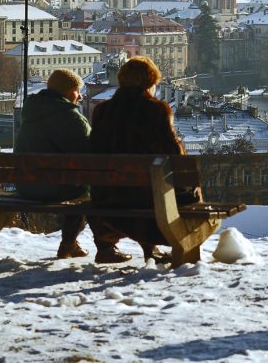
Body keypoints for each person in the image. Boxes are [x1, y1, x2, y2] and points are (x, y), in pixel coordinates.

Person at [88, 56, 200, 264]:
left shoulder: (103, 111)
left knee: (137, 185)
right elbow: (174, 156)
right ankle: (161, 247)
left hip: (107, 200)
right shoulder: (157, 110)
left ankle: (106, 247)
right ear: (150, 83)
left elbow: (93, 151)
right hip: (149, 202)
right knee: (183, 186)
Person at [14, 69, 91, 259]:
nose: (80, 97)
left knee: (74, 182)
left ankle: (71, 243)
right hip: (57, 188)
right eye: (76, 90)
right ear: (66, 91)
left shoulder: (30, 112)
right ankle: (71, 242)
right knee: (86, 187)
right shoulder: (69, 117)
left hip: (26, 186)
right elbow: (89, 155)